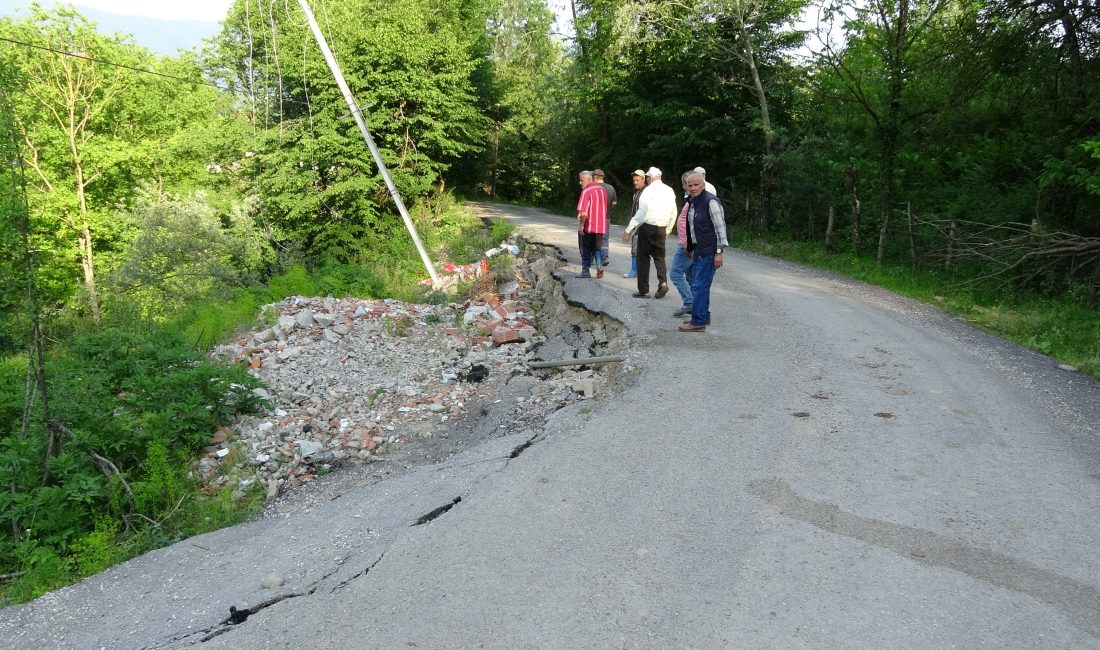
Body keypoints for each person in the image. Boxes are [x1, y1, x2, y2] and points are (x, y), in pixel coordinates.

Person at [679, 171, 728, 332]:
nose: (692, 188)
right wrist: (692, 248)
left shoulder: (710, 201)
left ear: (703, 184)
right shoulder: (693, 201)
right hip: (699, 250)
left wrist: (719, 252)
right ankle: (703, 316)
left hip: (710, 251)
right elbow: (694, 228)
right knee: (699, 285)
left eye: (696, 185)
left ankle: (698, 321)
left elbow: (720, 228)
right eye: (690, 185)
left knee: (699, 285)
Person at [622, 167, 676, 298]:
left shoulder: (648, 191)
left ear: (650, 178)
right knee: (659, 257)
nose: (646, 180)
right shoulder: (669, 190)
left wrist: (629, 229)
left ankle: (644, 291)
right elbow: (674, 212)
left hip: (648, 227)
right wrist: (668, 229)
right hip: (662, 228)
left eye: (647, 177)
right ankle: (663, 283)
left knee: (643, 258)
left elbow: (641, 213)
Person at [670, 171, 695, 317]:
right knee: (691, 276)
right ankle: (695, 305)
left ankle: (689, 302)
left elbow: (692, 224)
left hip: (686, 244)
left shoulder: (693, 200)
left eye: (690, 184)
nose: (687, 187)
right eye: (687, 184)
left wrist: (687, 243)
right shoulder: (690, 199)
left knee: (675, 273)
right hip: (687, 242)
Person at [575, 170, 609, 278]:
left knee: (586, 248)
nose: (580, 183)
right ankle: (599, 267)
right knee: (597, 248)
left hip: (589, 225)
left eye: (581, 180)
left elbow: (584, 212)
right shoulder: (602, 190)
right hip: (600, 226)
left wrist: (581, 226)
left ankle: (585, 271)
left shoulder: (586, 191)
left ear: (589, 179)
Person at [622, 170, 645, 278]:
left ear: (643, 180)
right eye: (634, 180)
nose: (635, 182)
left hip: (643, 225)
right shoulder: (636, 193)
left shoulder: (646, 193)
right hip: (636, 225)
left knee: (638, 249)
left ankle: (636, 270)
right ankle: (635, 270)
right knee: (635, 248)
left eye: (637, 180)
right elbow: (634, 211)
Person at [593, 169, 617, 268]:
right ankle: (605, 256)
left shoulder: (593, 187)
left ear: (594, 177)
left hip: (594, 218)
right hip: (606, 217)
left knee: (593, 238)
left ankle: (592, 259)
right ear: (602, 177)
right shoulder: (610, 188)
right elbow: (614, 202)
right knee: (605, 238)